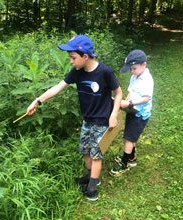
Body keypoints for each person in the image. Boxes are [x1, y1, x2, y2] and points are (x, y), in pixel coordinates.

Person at [27, 35, 122, 201]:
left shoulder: (105, 72)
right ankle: (90, 175)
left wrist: (114, 114)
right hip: (87, 120)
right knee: (85, 150)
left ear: (85, 56)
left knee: (96, 154)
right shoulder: (77, 72)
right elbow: (58, 87)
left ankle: (92, 187)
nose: (71, 61)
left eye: (73, 58)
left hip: (102, 121)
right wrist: (37, 101)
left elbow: (118, 92)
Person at [109, 49, 154, 176]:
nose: (132, 71)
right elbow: (130, 91)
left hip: (140, 114)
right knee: (129, 136)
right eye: (131, 69)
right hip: (132, 110)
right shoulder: (135, 76)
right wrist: (126, 101)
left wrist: (130, 104)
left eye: (134, 68)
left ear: (144, 64)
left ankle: (125, 164)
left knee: (128, 138)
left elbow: (146, 98)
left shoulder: (147, 80)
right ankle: (131, 158)